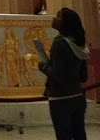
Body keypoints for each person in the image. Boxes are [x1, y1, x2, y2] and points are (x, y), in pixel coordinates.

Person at [38, 8, 90, 140]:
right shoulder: (79, 42)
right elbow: (83, 75)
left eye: (58, 16)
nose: (54, 18)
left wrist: (43, 66)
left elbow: (58, 75)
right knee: (80, 135)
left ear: (66, 23)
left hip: (60, 98)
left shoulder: (59, 43)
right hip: (78, 96)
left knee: (63, 136)